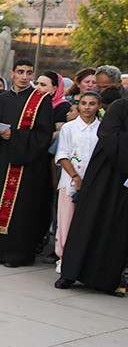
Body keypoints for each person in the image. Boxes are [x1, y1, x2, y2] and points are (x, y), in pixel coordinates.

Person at [0, 59, 54, 267]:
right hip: (2, 161)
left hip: (26, 166)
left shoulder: (41, 100)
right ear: (12, 74)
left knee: (20, 210)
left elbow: (44, 135)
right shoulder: (3, 99)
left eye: (28, 72)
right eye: (20, 72)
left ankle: (15, 255)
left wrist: (14, 136)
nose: (24, 76)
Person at [55, 97, 127, 295]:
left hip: (124, 187)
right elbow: (109, 135)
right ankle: (70, 273)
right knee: (88, 221)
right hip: (105, 176)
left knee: (118, 230)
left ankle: (107, 280)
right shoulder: (121, 106)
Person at [54, 91, 102, 272]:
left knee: (87, 221)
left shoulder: (102, 129)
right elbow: (63, 154)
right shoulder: (69, 128)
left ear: (99, 106)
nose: (87, 107)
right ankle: (63, 257)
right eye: (83, 103)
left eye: (92, 103)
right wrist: (75, 177)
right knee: (65, 220)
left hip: (93, 182)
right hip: (70, 180)